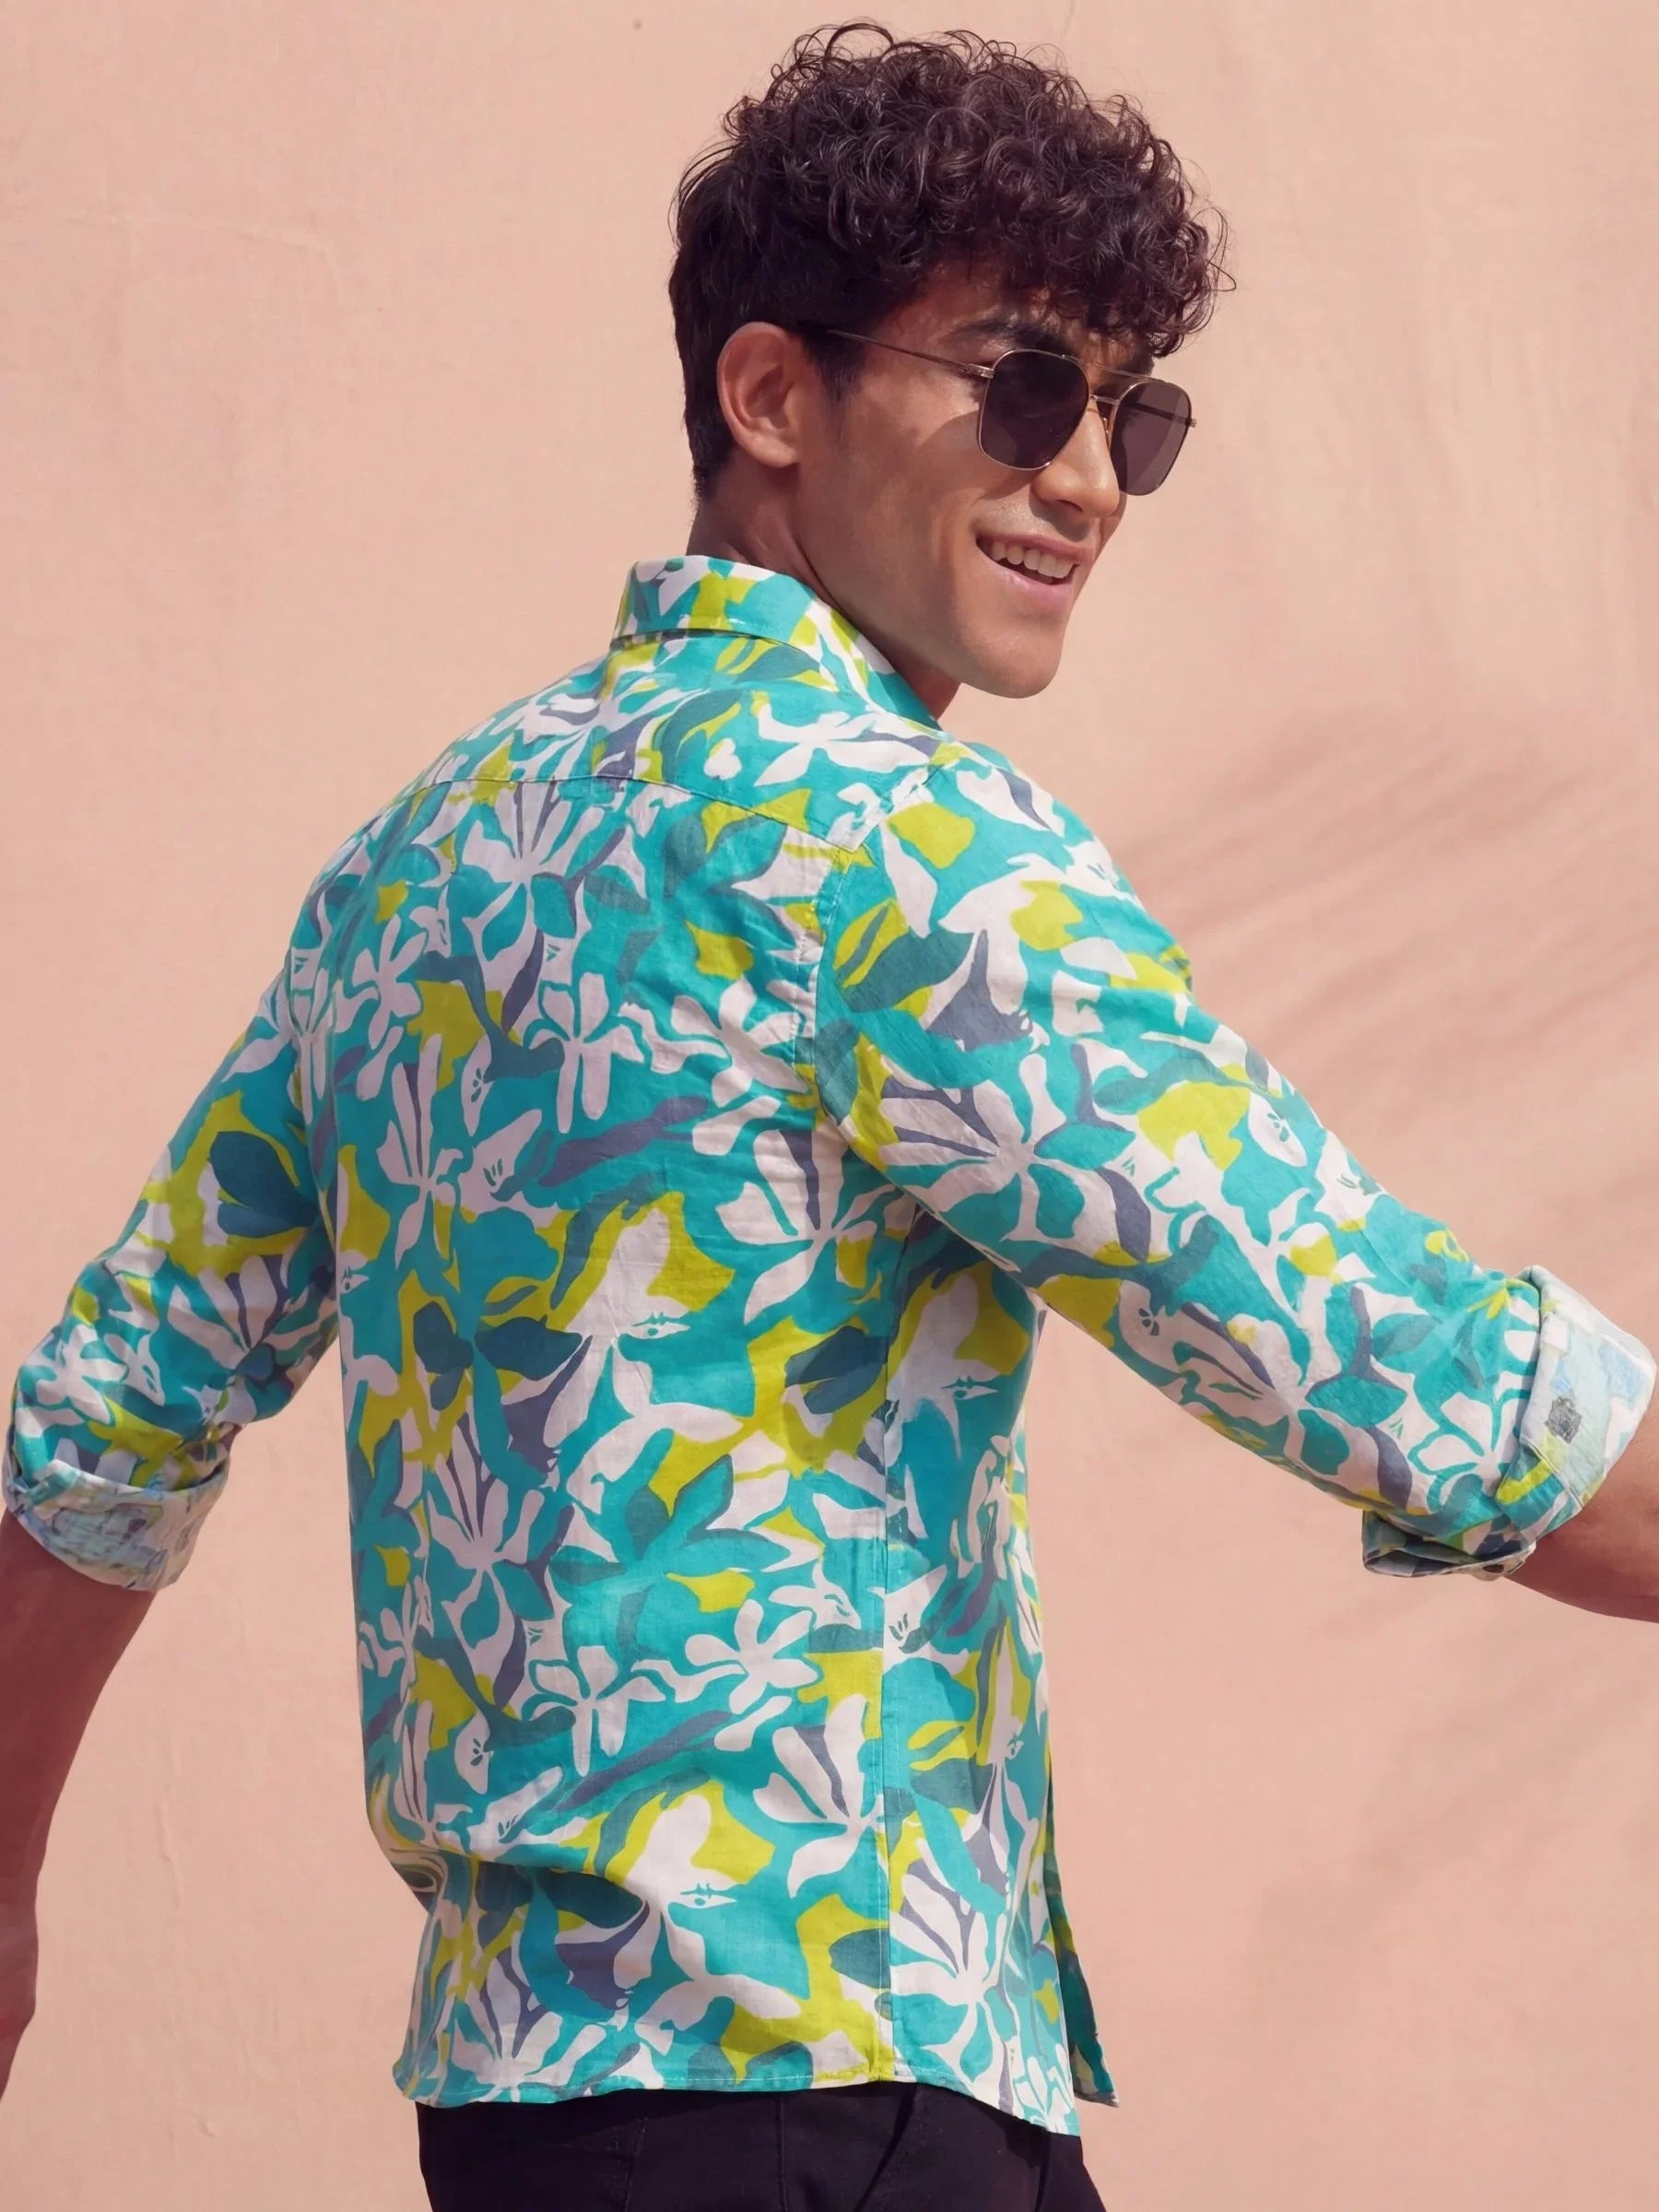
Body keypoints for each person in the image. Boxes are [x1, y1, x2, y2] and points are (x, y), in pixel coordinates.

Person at [3, 21, 1654, 2212]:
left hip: (520, 2122)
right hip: (830, 2095)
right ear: (773, 396)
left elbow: (114, 1410)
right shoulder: (901, 853)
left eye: (1132, 414)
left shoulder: (419, 861)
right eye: (1027, 391)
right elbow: (1387, 1362)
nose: (1091, 480)